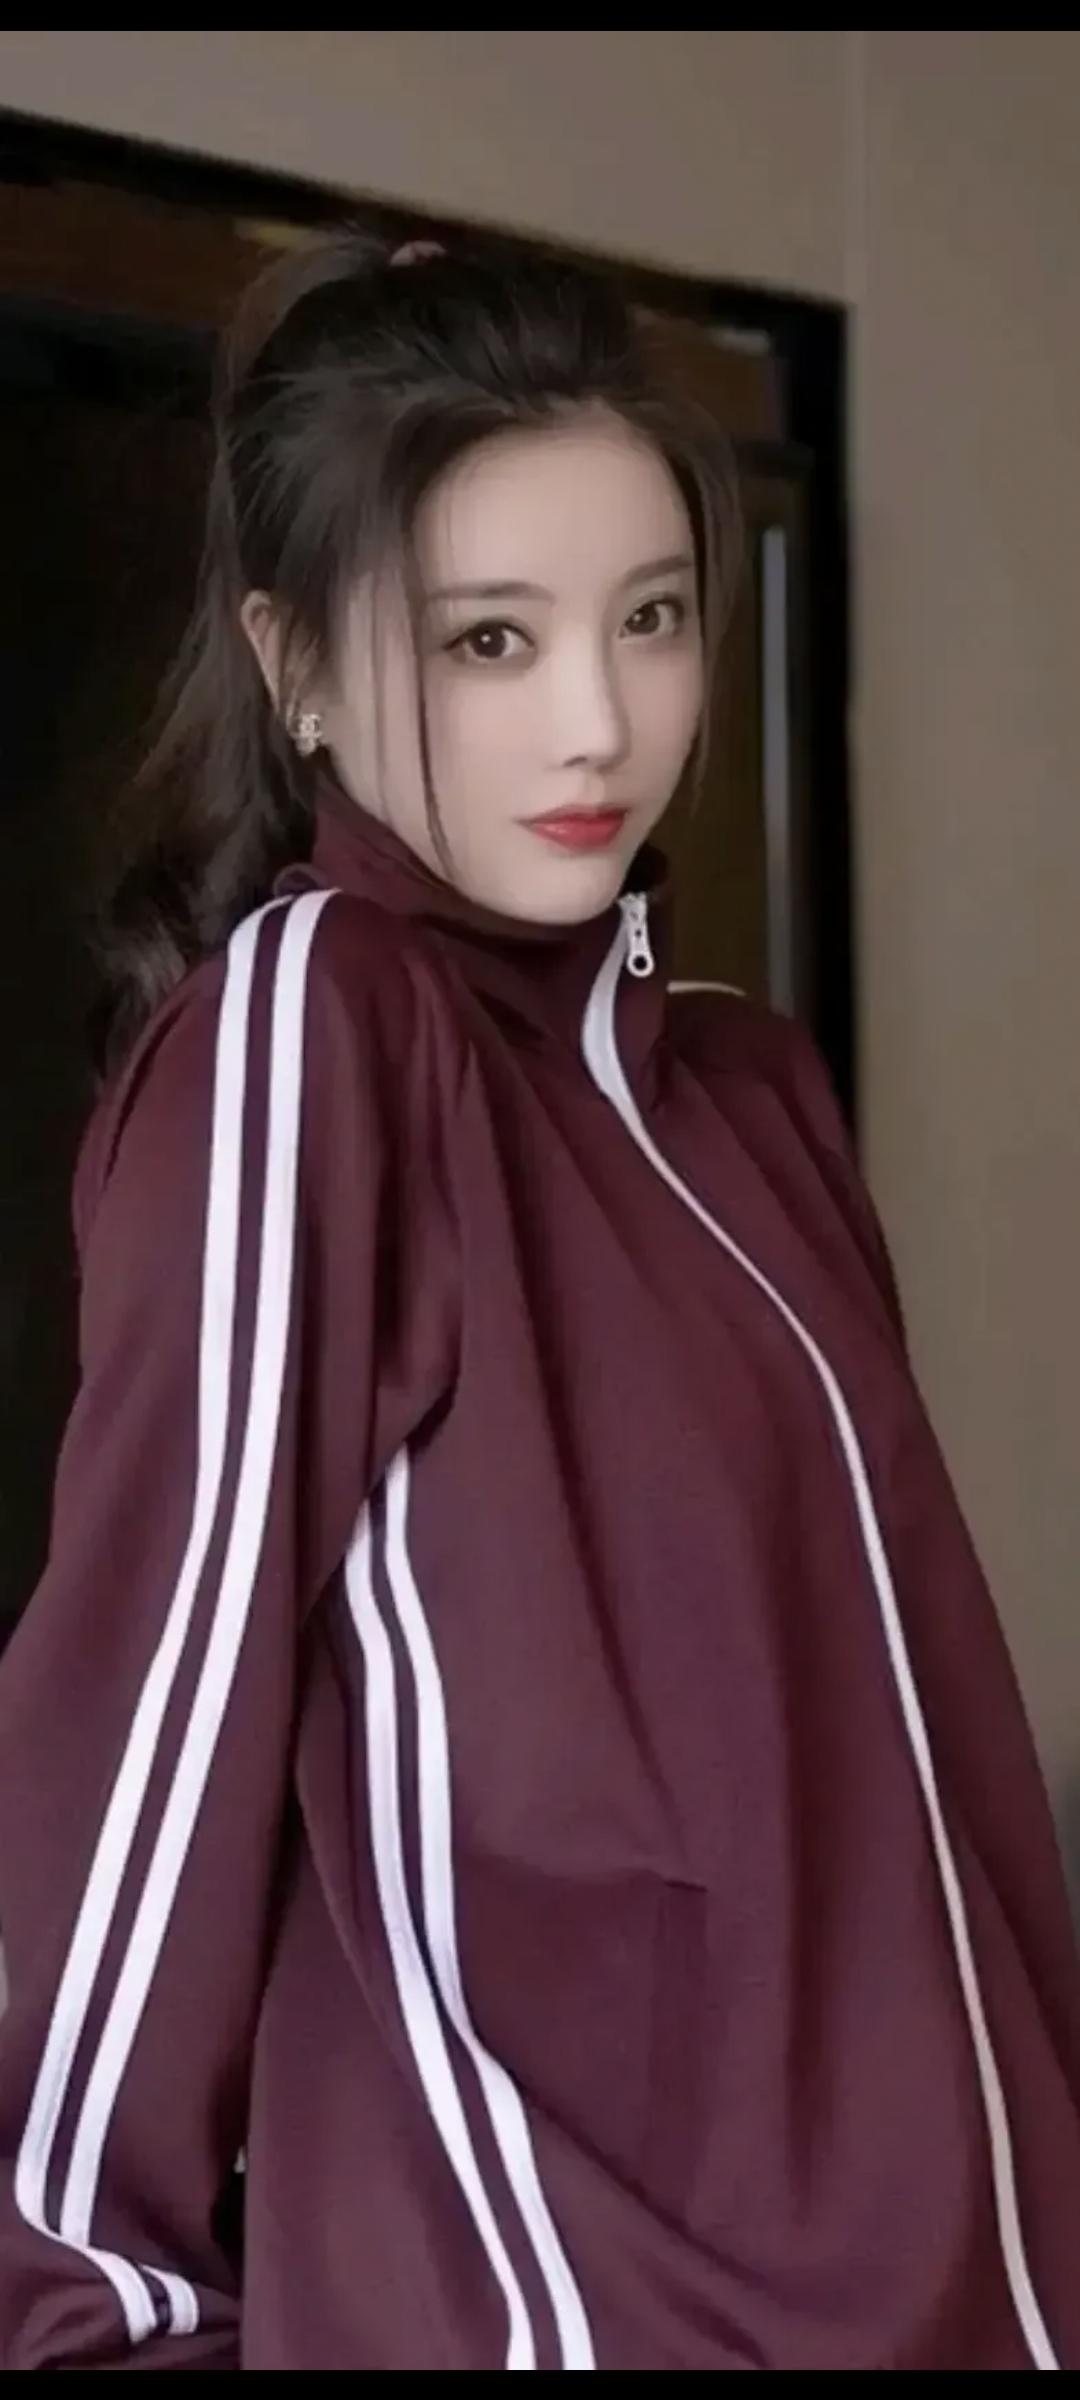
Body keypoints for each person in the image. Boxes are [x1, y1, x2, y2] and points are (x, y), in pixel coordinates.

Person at [0, 230, 1077, 2375]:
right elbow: (143, 1724)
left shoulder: (750, 1092)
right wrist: (86, 2314)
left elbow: (916, 1764)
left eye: (651, 619)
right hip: (567, 2315)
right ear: (296, 667)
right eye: (488, 638)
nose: (600, 721)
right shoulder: (320, 1029)